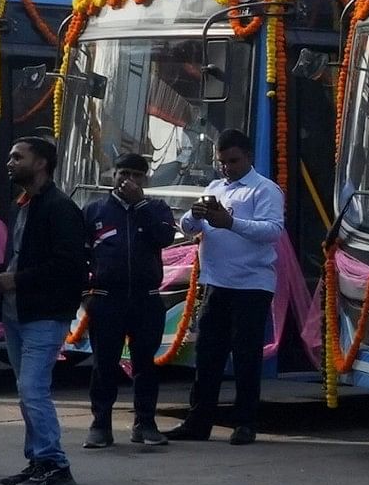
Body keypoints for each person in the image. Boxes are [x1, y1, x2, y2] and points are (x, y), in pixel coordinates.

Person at [0, 136, 92, 485]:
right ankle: (37, 460)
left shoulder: (60, 207)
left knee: (33, 389)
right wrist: (2, 274)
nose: (10, 162)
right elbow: (24, 256)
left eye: (18, 157)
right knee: (25, 391)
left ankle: (55, 465)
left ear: (41, 164)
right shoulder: (25, 205)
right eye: (10, 156)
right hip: (17, 311)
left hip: (44, 313)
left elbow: (69, 266)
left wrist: (17, 279)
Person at [171, 128, 281, 445]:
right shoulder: (216, 187)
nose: (227, 168)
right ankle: (198, 422)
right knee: (207, 355)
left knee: (245, 356)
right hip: (215, 283)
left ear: (248, 157)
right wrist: (194, 216)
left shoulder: (264, 190)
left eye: (233, 161)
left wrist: (230, 222)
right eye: (222, 162)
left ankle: (245, 423)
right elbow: (190, 228)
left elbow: (272, 231)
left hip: (251, 284)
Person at [84, 153, 180, 450]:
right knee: (104, 364)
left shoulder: (157, 209)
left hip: (145, 299)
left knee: (145, 364)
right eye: (124, 173)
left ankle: (145, 423)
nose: (130, 180)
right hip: (106, 299)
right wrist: (85, 292)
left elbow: (164, 237)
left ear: (146, 179)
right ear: (113, 175)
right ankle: (100, 425)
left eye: (137, 175)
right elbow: (80, 253)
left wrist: (140, 205)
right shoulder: (94, 211)